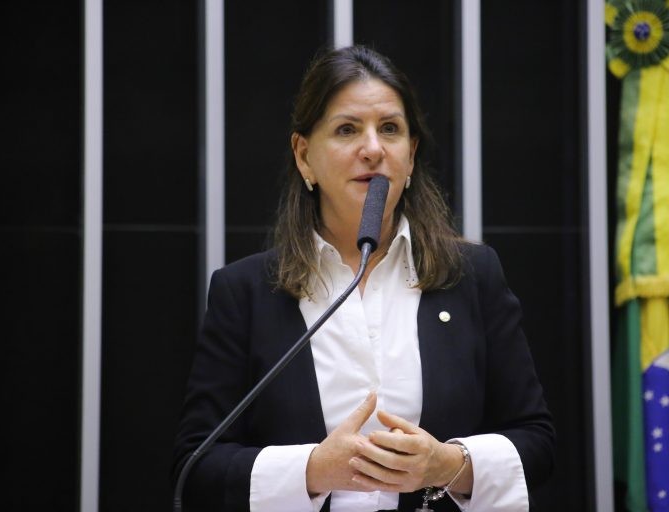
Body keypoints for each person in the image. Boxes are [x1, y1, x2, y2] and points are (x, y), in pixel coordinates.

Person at [173, 45, 554, 512]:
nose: (373, 149)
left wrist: (447, 463)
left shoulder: (472, 276)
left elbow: (537, 443)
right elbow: (196, 468)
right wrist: (312, 470)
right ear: (304, 156)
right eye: (347, 129)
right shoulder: (245, 292)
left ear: (410, 156)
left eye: (390, 129)